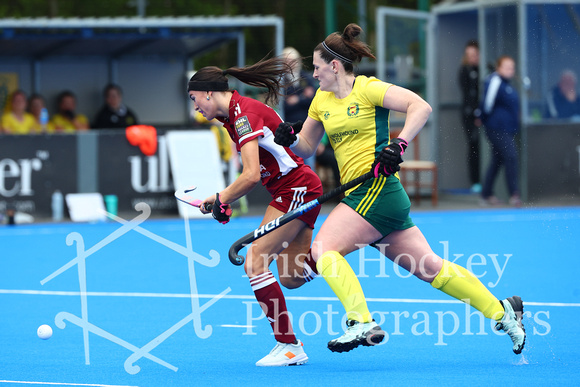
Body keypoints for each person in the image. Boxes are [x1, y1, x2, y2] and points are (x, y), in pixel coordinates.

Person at [274, 23, 526, 356]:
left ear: (334, 66)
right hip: (366, 198)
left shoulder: (368, 89)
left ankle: (360, 321)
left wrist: (399, 144)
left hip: (376, 190)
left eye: (318, 67)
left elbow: (421, 107)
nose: (314, 73)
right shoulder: (321, 100)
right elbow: (307, 146)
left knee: (323, 249)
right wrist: (290, 139)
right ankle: (502, 311)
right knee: (430, 268)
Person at [187, 58, 324, 367]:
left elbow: (250, 175)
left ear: (208, 93)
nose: (195, 107)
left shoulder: (243, 115)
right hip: (286, 190)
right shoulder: (232, 116)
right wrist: (219, 199)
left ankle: (289, 346)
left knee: (255, 261)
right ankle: (336, 249)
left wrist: (225, 198)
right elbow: (254, 172)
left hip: (296, 187)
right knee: (291, 276)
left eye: (194, 99)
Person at [479, 56, 521, 207]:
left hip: (507, 129)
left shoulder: (508, 85)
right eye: (507, 67)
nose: (510, 70)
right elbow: (487, 103)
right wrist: (482, 117)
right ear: (499, 68)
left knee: (497, 160)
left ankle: (486, 194)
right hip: (496, 129)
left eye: (512, 67)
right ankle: (514, 194)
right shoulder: (495, 81)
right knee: (511, 156)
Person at [281, 47, 318, 169]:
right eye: (288, 61)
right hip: (289, 128)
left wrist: (296, 99)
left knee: (309, 163)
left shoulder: (306, 77)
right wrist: (303, 97)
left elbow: (313, 99)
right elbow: (284, 105)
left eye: (293, 60)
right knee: (292, 165)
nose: (291, 64)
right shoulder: (280, 81)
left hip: (307, 127)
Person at [458, 40, 482, 193]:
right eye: (469, 55)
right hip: (469, 116)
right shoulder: (464, 70)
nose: (471, 57)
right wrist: (474, 114)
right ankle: (475, 181)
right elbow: (468, 95)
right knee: (473, 146)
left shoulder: (483, 70)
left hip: (482, 116)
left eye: (474, 54)